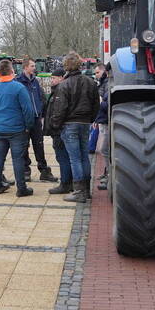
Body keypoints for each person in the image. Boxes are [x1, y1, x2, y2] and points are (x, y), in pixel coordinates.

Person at [46, 52, 99, 202]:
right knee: (84, 157)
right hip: (84, 123)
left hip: (70, 124)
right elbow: (96, 105)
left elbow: (60, 109)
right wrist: (90, 119)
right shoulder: (90, 82)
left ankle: (79, 192)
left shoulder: (64, 85)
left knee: (75, 158)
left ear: (66, 67)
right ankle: (85, 190)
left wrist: (56, 125)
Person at [0, 59, 35, 196]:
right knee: (17, 159)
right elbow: (28, 110)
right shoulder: (19, 88)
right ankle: (21, 188)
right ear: (12, 71)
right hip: (17, 130)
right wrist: (28, 126)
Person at [16, 58, 57, 182]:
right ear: (25, 67)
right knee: (24, 146)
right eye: (32, 66)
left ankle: (44, 170)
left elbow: (41, 97)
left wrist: (42, 114)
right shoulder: (18, 82)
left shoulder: (35, 81)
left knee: (39, 145)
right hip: (23, 120)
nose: (34, 67)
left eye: (34, 65)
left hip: (36, 119)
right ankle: (25, 171)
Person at [45, 70, 73, 196]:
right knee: (63, 157)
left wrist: (54, 125)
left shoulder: (60, 90)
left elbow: (59, 111)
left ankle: (65, 183)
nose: (52, 80)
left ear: (61, 78)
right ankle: (69, 182)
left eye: (54, 78)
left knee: (63, 158)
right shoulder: (58, 89)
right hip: (58, 129)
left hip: (59, 130)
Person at [93, 63, 111, 190]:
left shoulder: (108, 84)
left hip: (106, 121)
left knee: (105, 149)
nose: (95, 75)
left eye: (97, 72)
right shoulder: (103, 84)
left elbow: (108, 104)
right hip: (103, 120)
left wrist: (100, 102)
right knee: (104, 149)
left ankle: (109, 175)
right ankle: (107, 173)